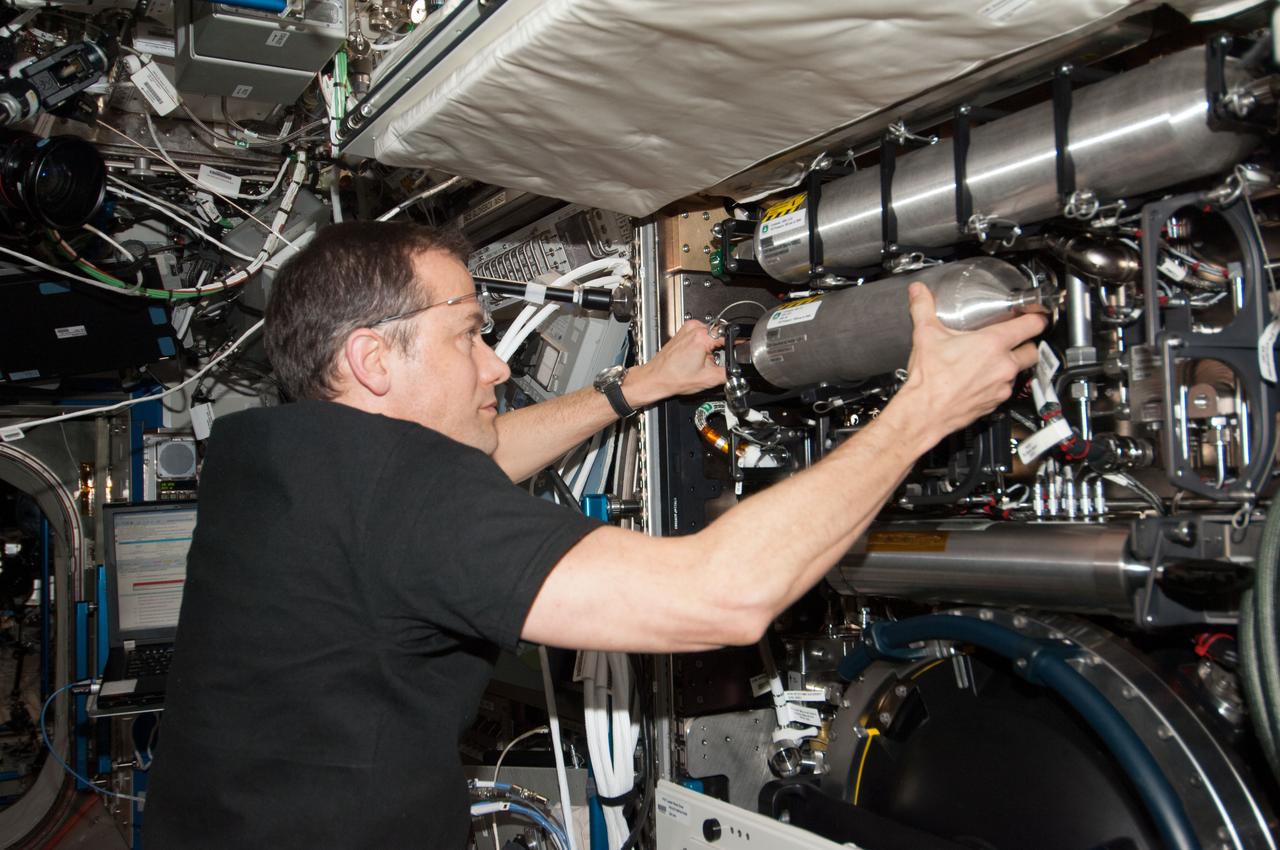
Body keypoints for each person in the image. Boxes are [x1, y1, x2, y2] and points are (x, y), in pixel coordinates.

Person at [143, 221, 1043, 847]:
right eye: (469, 336)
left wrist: (638, 386)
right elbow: (718, 598)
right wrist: (924, 411)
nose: (496, 366)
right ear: (373, 360)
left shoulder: (275, 456)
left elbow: (483, 457)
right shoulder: (396, 490)